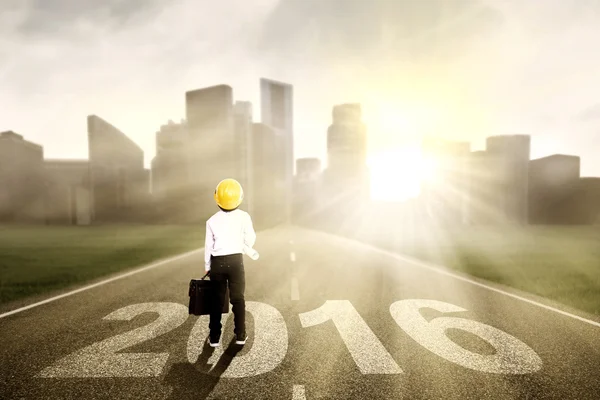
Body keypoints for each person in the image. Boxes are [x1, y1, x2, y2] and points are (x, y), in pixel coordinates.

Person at [205, 178, 258, 347]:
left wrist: (207, 267)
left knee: (216, 300)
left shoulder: (211, 220)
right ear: (239, 197)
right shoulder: (244, 217)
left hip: (217, 263)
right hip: (236, 261)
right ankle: (240, 334)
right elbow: (250, 239)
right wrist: (244, 245)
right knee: (238, 299)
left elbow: (208, 246)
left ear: (217, 198)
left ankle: (214, 337)